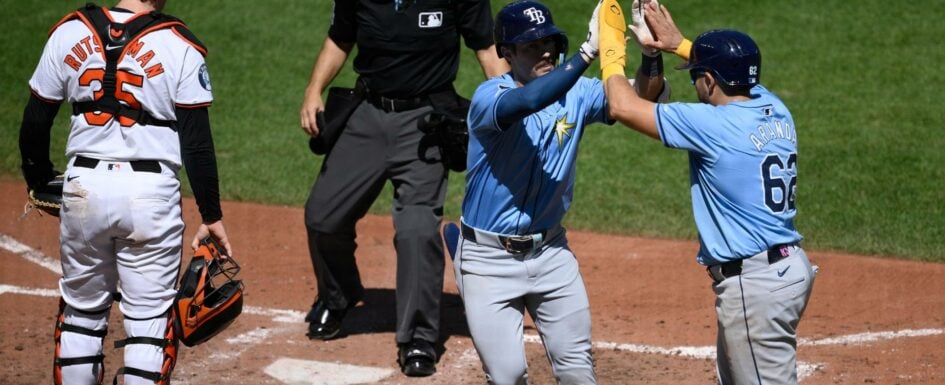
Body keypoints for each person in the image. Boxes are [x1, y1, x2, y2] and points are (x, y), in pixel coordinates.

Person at [602, 1, 817, 384]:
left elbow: (622, 106)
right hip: (786, 269)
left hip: (755, 287)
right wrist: (676, 45)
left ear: (710, 82)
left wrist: (610, 48)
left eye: (696, 75)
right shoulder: (774, 107)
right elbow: (735, 77)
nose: (694, 82)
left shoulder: (710, 126)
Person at [17, 1, 231, 384]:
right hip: (150, 195)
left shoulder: (70, 31)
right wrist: (211, 215)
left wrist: (38, 181)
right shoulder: (179, 44)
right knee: (149, 322)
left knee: (81, 316)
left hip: (83, 187)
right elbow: (197, 145)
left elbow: (36, 119)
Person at [454, 1, 662, 383]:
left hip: (551, 253)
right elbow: (530, 100)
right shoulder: (489, 98)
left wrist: (650, 56)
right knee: (508, 375)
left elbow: (638, 100)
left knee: (578, 371)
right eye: (532, 46)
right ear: (508, 53)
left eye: (550, 41)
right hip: (488, 259)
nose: (546, 51)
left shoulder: (577, 93)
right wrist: (587, 53)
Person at [297, 0, 508, 377]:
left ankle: (418, 337)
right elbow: (339, 39)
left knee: (416, 230)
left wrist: (514, 108)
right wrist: (314, 89)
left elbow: (487, 51)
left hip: (425, 123)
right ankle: (339, 294)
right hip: (367, 114)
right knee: (323, 217)